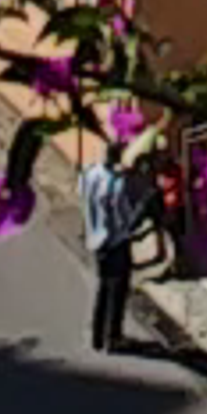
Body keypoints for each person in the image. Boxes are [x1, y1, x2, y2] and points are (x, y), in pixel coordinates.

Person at [79, 129, 148, 356]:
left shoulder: (89, 174)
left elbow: (81, 192)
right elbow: (122, 217)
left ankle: (97, 336)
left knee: (103, 287)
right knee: (117, 290)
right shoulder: (117, 184)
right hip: (114, 240)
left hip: (95, 237)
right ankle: (113, 337)